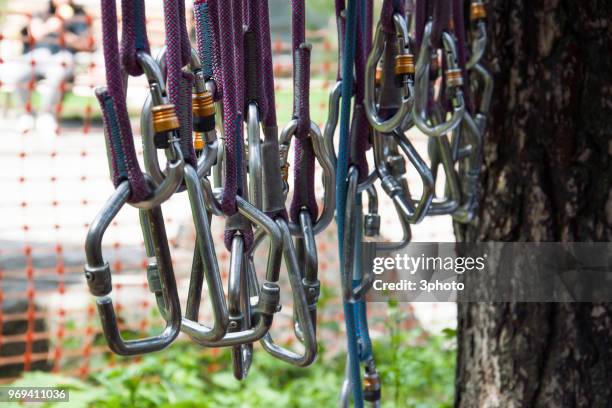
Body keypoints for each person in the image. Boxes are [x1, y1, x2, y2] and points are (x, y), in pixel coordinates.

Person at [2, 0, 94, 133]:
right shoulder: (41, 11)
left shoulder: (79, 14)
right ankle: (26, 114)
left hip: (63, 56)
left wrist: (63, 32)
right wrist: (51, 25)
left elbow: (86, 44)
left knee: (58, 73)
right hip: (37, 55)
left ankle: (46, 115)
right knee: (17, 74)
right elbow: (35, 34)